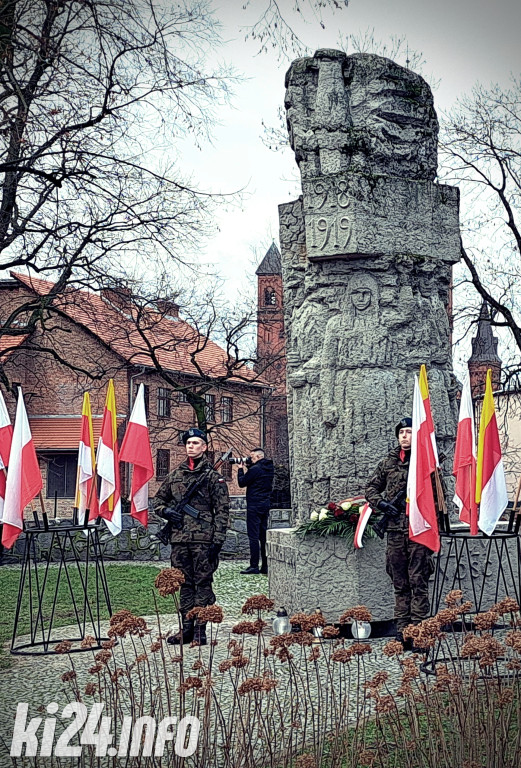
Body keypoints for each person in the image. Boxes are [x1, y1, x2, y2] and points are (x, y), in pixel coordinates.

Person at [152, 428, 230, 646]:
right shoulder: (175, 475)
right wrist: (166, 512)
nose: (191, 446)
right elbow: (158, 501)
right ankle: (186, 627)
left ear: (204, 447)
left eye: (196, 443)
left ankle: (199, 629)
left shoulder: (213, 478)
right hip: (179, 539)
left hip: (204, 540)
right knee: (183, 583)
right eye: (188, 443)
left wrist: (218, 540)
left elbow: (222, 511)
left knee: (203, 583)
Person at [365, 417, 434, 648]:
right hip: (394, 529)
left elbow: (437, 495)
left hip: (418, 529)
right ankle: (403, 631)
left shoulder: (426, 463)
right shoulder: (388, 462)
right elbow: (371, 488)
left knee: (418, 580)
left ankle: (420, 632)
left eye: (409, 432)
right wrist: (382, 505)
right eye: (401, 432)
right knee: (400, 582)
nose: (405, 436)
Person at [237, 447, 274, 575]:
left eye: (252, 457)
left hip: (254, 506)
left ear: (258, 457)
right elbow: (256, 479)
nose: (250, 459)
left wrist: (241, 469)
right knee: (263, 536)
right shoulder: (269, 469)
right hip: (265, 505)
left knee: (253, 536)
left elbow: (242, 482)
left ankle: (254, 565)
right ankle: (265, 565)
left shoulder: (255, 469)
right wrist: (249, 467)